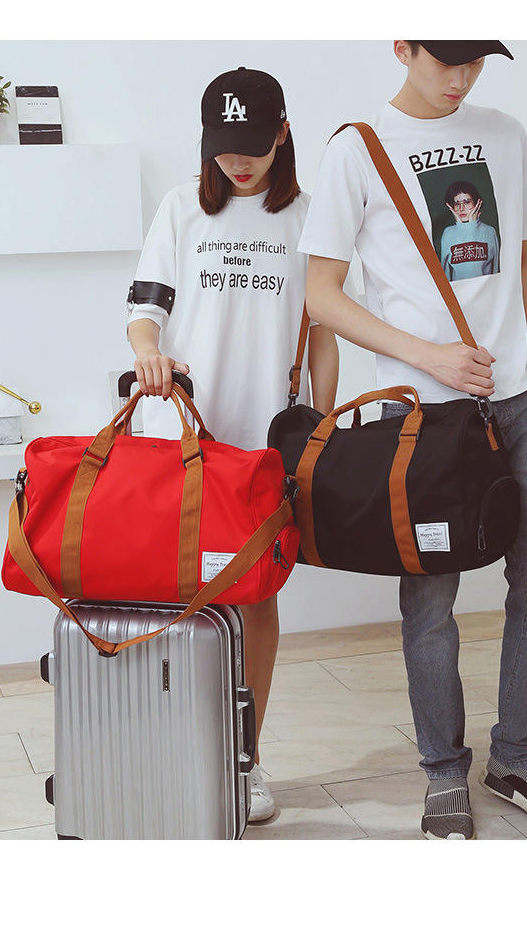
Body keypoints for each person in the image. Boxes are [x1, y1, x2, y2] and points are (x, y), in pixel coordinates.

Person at [298, 40, 527, 839]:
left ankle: (517, 760)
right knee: (430, 596)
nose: (460, 78)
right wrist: (429, 357)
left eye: (476, 62)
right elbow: (322, 296)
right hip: (425, 413)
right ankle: (442, 772)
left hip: (515, 400)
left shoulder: (505, 133)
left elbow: (523, 258)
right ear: (404, 46)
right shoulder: (358, 150)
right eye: (444, 60)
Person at [127, 66, 339, 823]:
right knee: (175, 599)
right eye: (223, 146)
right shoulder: (181, 208)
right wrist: (148, 352)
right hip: (179, 436)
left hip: (263, 444)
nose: (237, 161)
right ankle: (175, 753)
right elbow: (145, 310)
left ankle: (244, 760)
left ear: (283, 133)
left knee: (255, 600)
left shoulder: (309, 218)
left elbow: (324, 337)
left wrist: (323, 430)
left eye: (252, 144)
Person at [441, 180, 499, 279]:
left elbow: (496, 268)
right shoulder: (448, 233)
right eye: (457, 204)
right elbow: (444, 272)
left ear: (477, 203)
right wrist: (463, 226)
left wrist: (473, 225)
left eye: (467, 202)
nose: (461, 208)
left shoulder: (489, 231)